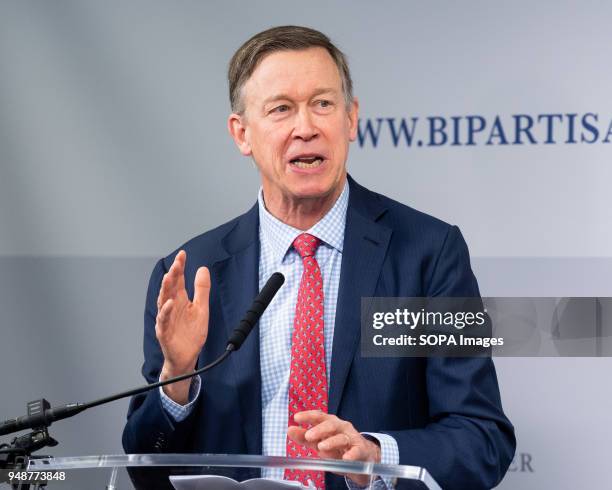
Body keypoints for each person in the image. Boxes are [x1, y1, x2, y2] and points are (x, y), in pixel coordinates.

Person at [122, 26, 515, 490]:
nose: (305, 127)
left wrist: (374, 456)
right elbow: (145, 464)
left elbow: (480, 438)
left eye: (323, 104)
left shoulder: (427, 255)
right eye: (281, 109)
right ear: (242, 133)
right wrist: (177, 380)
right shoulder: (192, 275)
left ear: (351, 119)